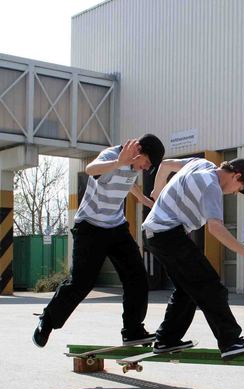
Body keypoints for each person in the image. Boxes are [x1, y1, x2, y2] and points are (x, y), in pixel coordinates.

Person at [32, 135, 165, 348]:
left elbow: (128, 183)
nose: (143, 168)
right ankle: (47, 320)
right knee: (81, 283)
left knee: (137, 276)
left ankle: (133, 331)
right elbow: (91, 170)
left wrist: (144, 199)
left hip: (116, 226)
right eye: (146, 163)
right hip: (90, 227)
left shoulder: (132, 165)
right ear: (139, 150)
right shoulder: (112, 156)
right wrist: (119, 162)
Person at [144, 157, 244, 360]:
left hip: (156, 233)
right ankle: (230, 341)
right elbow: (215, 227)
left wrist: (156, 191)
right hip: (169, 235)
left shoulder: (200, 163)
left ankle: (166, 340)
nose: (232, 193)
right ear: (236, 175)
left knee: (187, 289)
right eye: (237, 188)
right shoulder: (211, 185)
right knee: (210, 286)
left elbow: (165, 164)